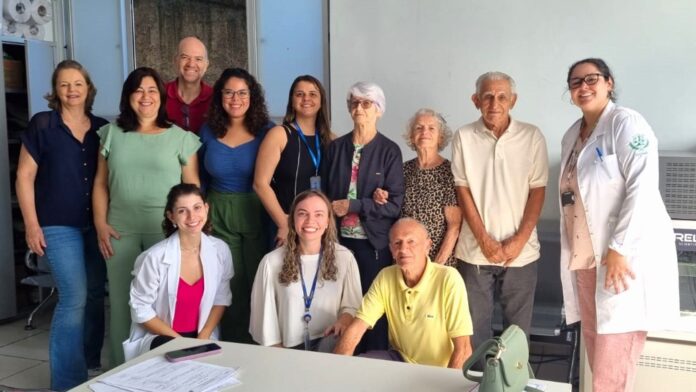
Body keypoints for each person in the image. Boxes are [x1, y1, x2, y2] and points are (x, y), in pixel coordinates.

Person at [559, 58, 679, 391]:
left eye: (591, 79)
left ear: (609, 82)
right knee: (599, 362)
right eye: (575, 82)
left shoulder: (626, 123)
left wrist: (619, 248)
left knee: (612, 368)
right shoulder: (572, 135)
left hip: (618, 260)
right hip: (585, 261)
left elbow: (641, 188)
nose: (583, 86)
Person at [93, 67, 201, 366]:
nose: (145, 96)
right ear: (128, 96)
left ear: (162, 96)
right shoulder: (111, 134)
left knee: (164, 305)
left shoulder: (181, 138)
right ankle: (119, 370)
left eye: (152, 90)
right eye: (138, 90)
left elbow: (192, 191)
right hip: (119, 231)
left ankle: (164, 370)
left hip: (166, 232)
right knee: (121, 304)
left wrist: (190, 232)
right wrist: (100, 224)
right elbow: (100, 184)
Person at [15, 60, 107, 390]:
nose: (72, 90)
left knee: (97, 295)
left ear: (88, 88)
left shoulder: (101, 127)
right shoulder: (43, 125)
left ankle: (90, 361)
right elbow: (24, 176)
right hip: (57, 225)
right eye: (65, 84)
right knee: (75, 296)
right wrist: (31, 225)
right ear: (56, 90)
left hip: (95, 225)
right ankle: (67, 382)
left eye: (78, 83)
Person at [451, 71, 548, 352]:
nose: (495, 103)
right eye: (488, 96)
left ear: (513, 100)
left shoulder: (532, 136)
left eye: (502, 96)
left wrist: (518, 241)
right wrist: (484, 240)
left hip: (522, 254)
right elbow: (463, 190)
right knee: (473, 336)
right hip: (474, 253)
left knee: (516, 339)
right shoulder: (463, 136)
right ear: (475, 100)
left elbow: (537, 190)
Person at [322, 81, 404, 351]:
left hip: (373, 245)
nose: (359, 108)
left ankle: (375, 359)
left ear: (378, 110)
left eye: (366, 103)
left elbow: (394, 206)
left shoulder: (389, 151)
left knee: (373, 309)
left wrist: (356, 205)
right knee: (340, 305)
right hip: (338, 242)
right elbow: (324, 193)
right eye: (354, 103)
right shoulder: (335, 149)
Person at [334, 218, 473, 368]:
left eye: (411, 242)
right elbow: (356, 329)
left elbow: (464, 349)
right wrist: (335, 370)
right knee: (360, 367)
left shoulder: (448, 278)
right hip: (401, 361)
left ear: (427, 246)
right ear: (391, 250)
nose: (403, 249)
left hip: (439, 369)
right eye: (397, 243)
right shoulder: (385, 276)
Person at [199, 67, 272, 343]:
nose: (235, 98)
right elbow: (199, 178)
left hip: (256, 212)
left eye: (242, 92)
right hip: (218, 213)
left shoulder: (267, 131)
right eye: (228, 92)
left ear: (252, 97)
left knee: (257, 279)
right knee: (228, 280)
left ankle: (258, 343)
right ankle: (230, 342)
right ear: (220, 97)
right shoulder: (207, 131)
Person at [123, 183, 233, 360]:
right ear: (171, 216)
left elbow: (222, 298)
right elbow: (140, 308)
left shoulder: (221, 250)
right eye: (182, 211)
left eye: (197, 207)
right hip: (163, 338)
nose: (192, 216)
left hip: (201, 337)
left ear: (206, 208)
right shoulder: (153, 257)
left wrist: (203, 336)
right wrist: (181, 343)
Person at [249, 190, 362, 350]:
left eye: (318, 214)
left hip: (329, 345)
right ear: (292, 219)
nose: (310, 221)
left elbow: (353, 304)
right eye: (303, 214)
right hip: (286, 350)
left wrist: (344, 319)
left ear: (328, 221)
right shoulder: (271, 262)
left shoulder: (344, 257)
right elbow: (265, 320)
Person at [253, 75, 333, 247]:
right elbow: (260, 184)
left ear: (321, 101)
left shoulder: (331, 140)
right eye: (300, 94)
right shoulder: (279, 135)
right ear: (291, 100)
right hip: (286, 223)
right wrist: (283, 223)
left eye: (313, 94)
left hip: (319, 228)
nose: (306, 99)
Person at [374, 108, 461, 265]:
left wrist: (435, 267)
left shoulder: (450, 172)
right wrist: (381, 196)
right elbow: (391, 207)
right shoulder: (401, 169)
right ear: (412, 137)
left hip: (439, 261)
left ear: (440, 138)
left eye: (431, 128)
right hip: (405, 257)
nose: (424, 132)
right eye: (419, 128)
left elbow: (454, 227)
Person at [165, 36, 212, 133]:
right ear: (176, 61)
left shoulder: (216, 98)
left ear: (206, 65)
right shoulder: (158, 95)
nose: (191, 64)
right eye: (185, 57)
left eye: (198, 59)